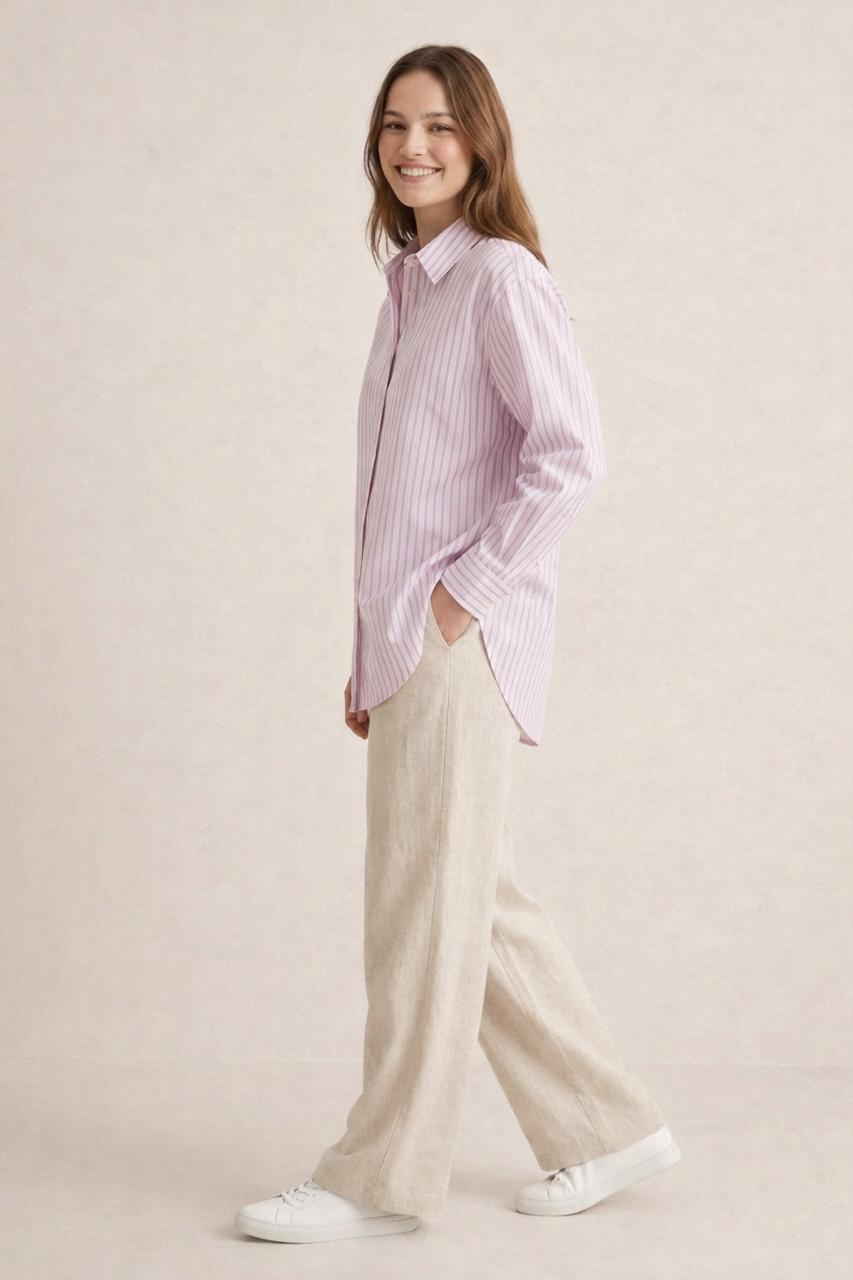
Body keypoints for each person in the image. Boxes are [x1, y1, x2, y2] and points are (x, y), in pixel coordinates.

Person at [235, 43, 681, 1245]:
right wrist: (372, 646)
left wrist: (454, 604)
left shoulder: (498, 278)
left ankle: (378, 1178)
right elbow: (399, 495)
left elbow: (570, 456)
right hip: (411, 647)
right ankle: (607, 1125)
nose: (412, 145)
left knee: (417, 909)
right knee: (469, 895)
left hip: (458, 644)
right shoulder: (412, 291)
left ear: (480, 141)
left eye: (437, 124)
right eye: (394, 124)